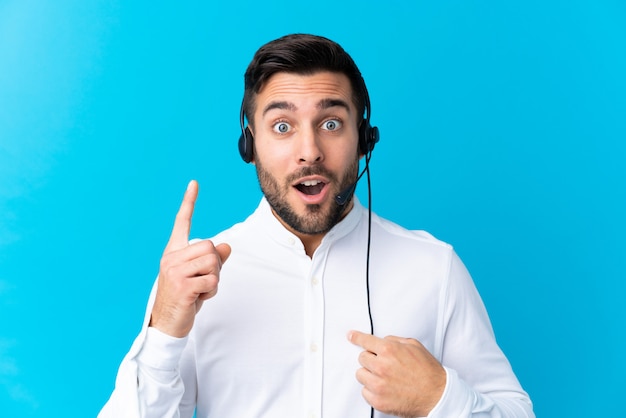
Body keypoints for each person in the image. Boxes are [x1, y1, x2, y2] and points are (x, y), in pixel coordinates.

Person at [99, 33, 534, 418]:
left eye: (330, 123)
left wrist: (440, 399)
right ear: (250, 143)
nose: (309, 151)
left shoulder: (433, 268)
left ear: (364, 140)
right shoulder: (191, 281)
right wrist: (165, 330)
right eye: (283, 126)